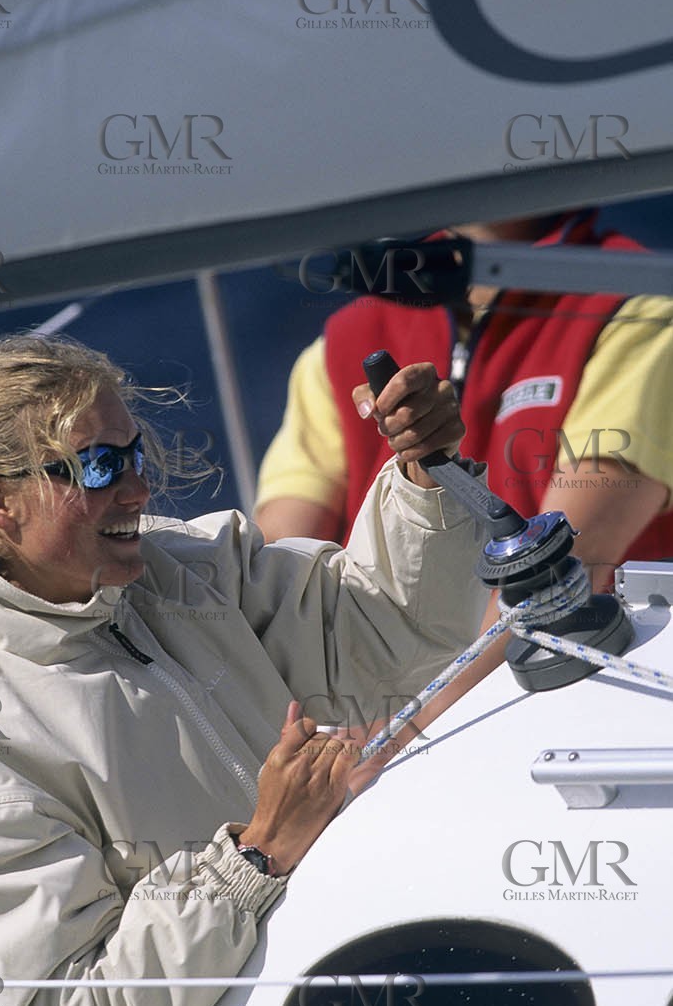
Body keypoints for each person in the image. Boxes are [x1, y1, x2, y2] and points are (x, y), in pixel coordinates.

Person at [0, 334, 486, 1006]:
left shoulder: (180, 573)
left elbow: (394, 631)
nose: (136, 491)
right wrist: (255, 856)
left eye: (134, 456)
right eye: (98, 467)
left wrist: (424, 476)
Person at [255, 210, 673, 753]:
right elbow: (279, 573)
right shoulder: (340, 346)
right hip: (385, 724)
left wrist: (384, 743)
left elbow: (566, 565)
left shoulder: (642, 310)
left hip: (578, 701)